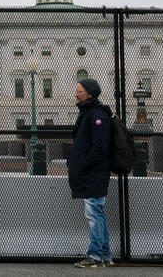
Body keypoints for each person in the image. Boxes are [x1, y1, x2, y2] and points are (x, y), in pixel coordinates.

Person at [68, 77, 113, 268]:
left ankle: (95, 255)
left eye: (79, 91)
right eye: (76, 90)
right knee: (97, 213)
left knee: (94, 214)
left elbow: (99, 146)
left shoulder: (97, 115)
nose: (76, 94)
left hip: (94, 173)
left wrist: (83, 165)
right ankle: (105, 255)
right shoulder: (89, 113)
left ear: (90, 94)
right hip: (92, 172)